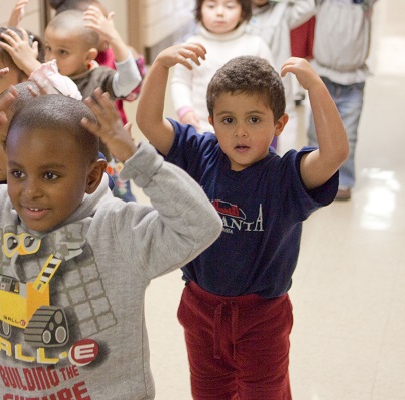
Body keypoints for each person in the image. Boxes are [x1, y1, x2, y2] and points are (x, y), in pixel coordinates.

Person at [0, 88, 223, 399]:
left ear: (92, 176)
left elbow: (200, 225)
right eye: (18, 172)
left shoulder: (118, 231)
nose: (30, 190)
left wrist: (139, 160)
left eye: (50, 175)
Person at [136, 44, 348, 398]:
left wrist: (315, 88)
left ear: (279, 123)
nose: (240, 132)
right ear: (212, 121)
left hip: (262, 317)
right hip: (200, 309)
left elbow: (335, 153)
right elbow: (149, 123)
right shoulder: (199, 152)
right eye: (228, 120)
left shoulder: (287, 177)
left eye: (254, 119)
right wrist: (159, 66)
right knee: (208, 392)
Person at [48, 0, 147, 202]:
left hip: (105, 162)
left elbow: (130, 81)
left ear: (88, 56)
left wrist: (114, 37)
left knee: (120, 201)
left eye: (62, 52)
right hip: (68, 161)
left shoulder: (99, 78)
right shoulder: (48, 77)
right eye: (48, 48)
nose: (52, 57)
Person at [307, 0, 378, 201]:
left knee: (349, 134)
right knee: (316, 132)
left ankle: (344, 180)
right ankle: (314, 176)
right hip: (323, 77)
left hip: (353, 80)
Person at [170, 0, 274, 134]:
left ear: (243, 12)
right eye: (211, 6)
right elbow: (180, 82)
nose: (219, 13)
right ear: (200, 10)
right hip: (200, 129)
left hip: (245, 132)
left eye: (229, 6)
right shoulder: (191, 46)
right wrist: (185, 111)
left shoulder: (256, 45)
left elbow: (270, 88)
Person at [247, 0, 315, 153]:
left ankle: (284, 167)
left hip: (279, 82)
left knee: (284, 117)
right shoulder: (238, 11)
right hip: (246, 85)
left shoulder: (282, 11)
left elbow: (308, 6)